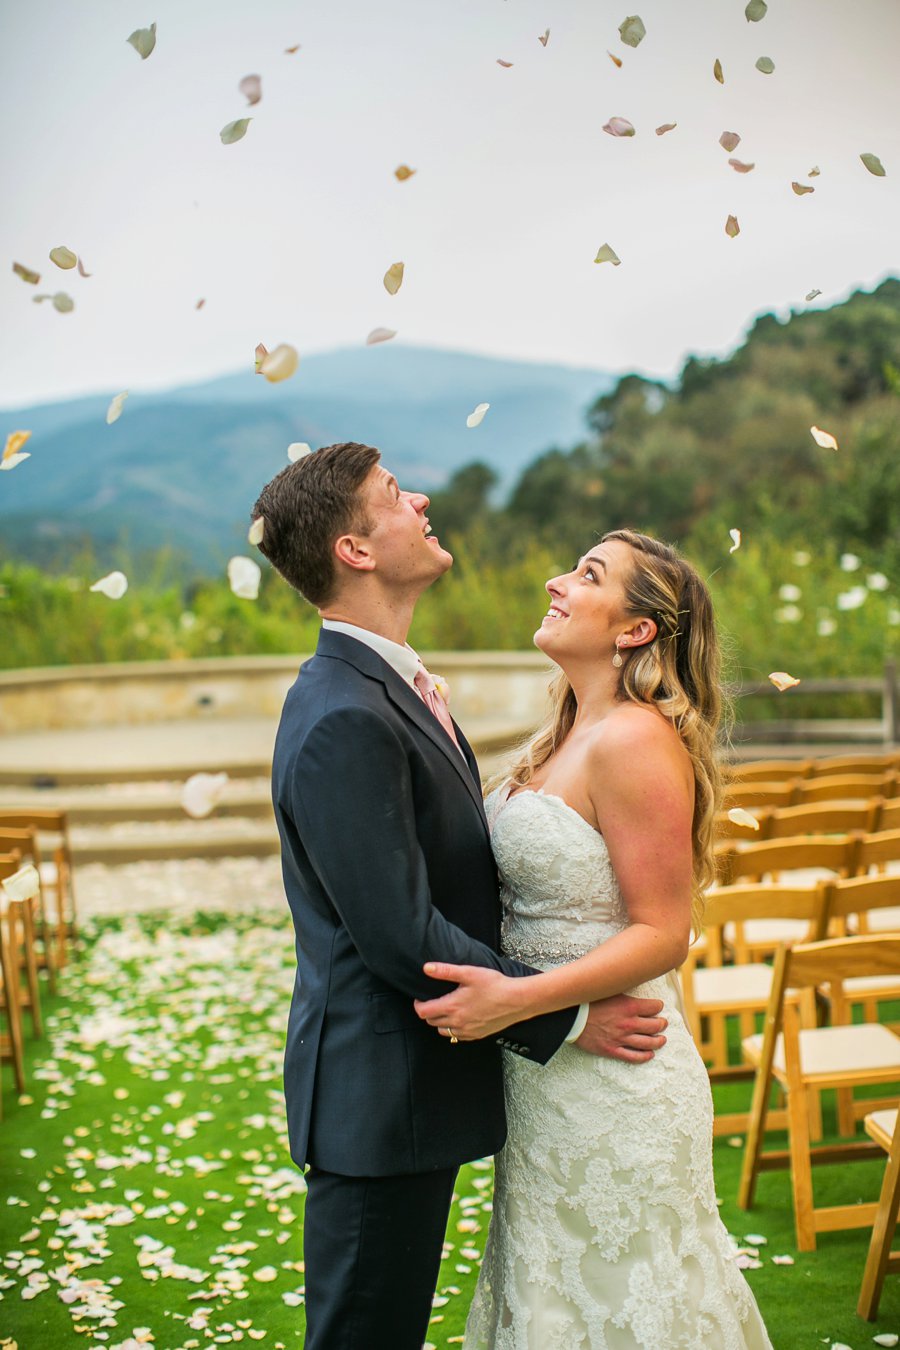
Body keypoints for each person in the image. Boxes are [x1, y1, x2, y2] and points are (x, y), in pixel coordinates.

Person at [250, 448, 670, 1350]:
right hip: (380, 1098)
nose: (424, 498)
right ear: (356, 550)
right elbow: (403, 936)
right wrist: (563, 1016)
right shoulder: (344, 714)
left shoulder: (385, 684)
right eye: (396, 496)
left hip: (417, 1087)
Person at [415, 529, 774, 1349]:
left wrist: (517, 1002)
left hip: (620, 1073)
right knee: (552, 1290)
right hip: (552, 1077)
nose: (556, 582)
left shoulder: (636, 738)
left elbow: (664, 931)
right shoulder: (563, 736)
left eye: (587, 574)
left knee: (631, 1295)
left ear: (635, 629)